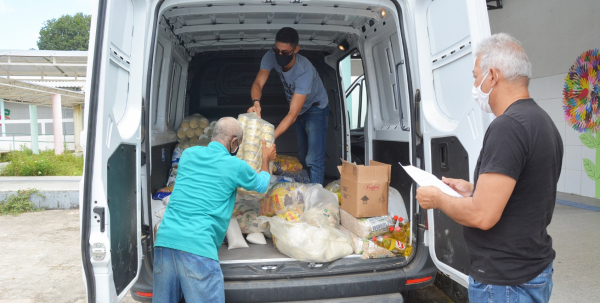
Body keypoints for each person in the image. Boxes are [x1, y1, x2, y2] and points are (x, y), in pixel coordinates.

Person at [415, 33, 562, 303]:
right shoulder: (541, 121)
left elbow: (483, 216)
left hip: (505, 283)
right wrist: (473, 189)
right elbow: (527, 191)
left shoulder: (508, 126)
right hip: (532, 269)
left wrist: (437, 198)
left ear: (492, 76)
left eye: (475, 76)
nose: (474, 85)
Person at [152, 117, 277, 303]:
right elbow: (261, 185)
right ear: (234, 142)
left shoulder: (188, 154)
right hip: (198, 247)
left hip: (165, 243)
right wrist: (266, 160)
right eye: (238, 144)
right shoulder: (235, 166)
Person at [248, 27, 329, 185]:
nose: (279, 55)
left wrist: (268, 138)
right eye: (276, 50)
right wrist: (255, 102)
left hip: (315, 108)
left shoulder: (304, 70)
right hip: (298, 109)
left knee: (313, 158)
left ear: (296, 50)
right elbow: (258, 83)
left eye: (285, 53)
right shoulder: (271, 56)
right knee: (303, 154)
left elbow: (292, 114)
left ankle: (316, 198)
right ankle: (305, 190)